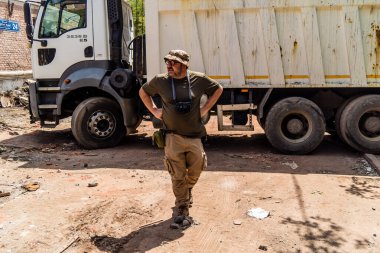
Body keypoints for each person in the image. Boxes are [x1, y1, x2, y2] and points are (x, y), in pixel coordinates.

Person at [139, 49, 223, 229]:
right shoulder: (161, 81)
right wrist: (154, 111)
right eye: (167, 61)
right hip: (172, 136)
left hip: (194, 135)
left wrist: (205, 108)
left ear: (184, 65)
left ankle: (187, 190)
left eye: (174, 62)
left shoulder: (198, 79)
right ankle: (182, 207)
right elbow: (143, 92)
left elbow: (218, 89)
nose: (169, 65)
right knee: (177, 174)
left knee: (197, 167)